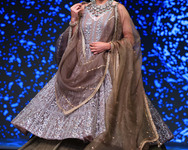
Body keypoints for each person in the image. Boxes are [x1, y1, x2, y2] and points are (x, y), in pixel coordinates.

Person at [11, 0, 174, 149]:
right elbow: (71, 43)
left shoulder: (118, 9)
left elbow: (131, 39)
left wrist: (109, 45)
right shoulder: (82, 8)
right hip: (80, 69)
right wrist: (74, 21)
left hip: (107, 69)